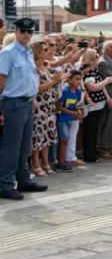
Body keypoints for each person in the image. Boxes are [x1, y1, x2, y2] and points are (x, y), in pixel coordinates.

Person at [0, 18, 47, 200]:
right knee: (11, 146)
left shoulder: (27, 52)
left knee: (24, 146)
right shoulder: (8, 53)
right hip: (13, 103)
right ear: (16, 31)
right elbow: (1, 82)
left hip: (27, 103)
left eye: (30, 31)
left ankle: (23, 179)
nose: (27, 34)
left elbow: (29, 78)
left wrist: (33, 97)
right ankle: (5, 184)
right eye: (23, 31)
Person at [31, 41, 65, 176]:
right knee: (38, 136)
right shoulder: (34, 69)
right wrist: (54, 81)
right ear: (38, 52)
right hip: (40, 106)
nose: (48, 51)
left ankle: (46, 162)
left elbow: (53, 83)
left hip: (50, 106)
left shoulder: (47, 66)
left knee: (48, 136)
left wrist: (58, 80)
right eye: (44, 49)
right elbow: (37, 88)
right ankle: (36, 162)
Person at [80, 49, 112, 163]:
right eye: (96, 56)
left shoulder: (95, 69)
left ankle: (93, 151)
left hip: (99, 103)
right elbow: (92, 87)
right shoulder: (87, 70)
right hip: (91, 104)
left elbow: (101, 85)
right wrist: (107, 81)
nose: (98, 58)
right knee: (90, 130)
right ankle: (89, 154)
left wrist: (107, 97)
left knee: (95, 129)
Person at [55, 70, 84, 173]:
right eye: (76, 79)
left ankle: (64, 161)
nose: (79, 81)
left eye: (80, 79)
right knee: (64, 139)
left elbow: (76, 105)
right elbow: (59, 107)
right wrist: (73, 113)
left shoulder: (78, 92)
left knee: (67, 139)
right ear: (69, 80)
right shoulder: (65, 91)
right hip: (62, 119)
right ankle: (61, 162)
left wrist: (79, 112)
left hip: (71, 119)